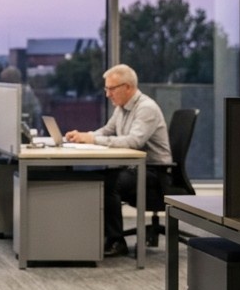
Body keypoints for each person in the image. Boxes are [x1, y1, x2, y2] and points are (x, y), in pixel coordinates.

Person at [64, 64, 171, 258]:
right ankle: (93, 237)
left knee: (108, 184)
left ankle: (116, 241)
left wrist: (93, 139)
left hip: (155, 173)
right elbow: (106, 131)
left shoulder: (146, 108)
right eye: (106, 89)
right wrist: (82, 136)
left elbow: (133, 142)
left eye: (111, 89)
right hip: (132, 168)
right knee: (92, 179)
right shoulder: (122, 108)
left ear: (128, 87)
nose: (107, 94)